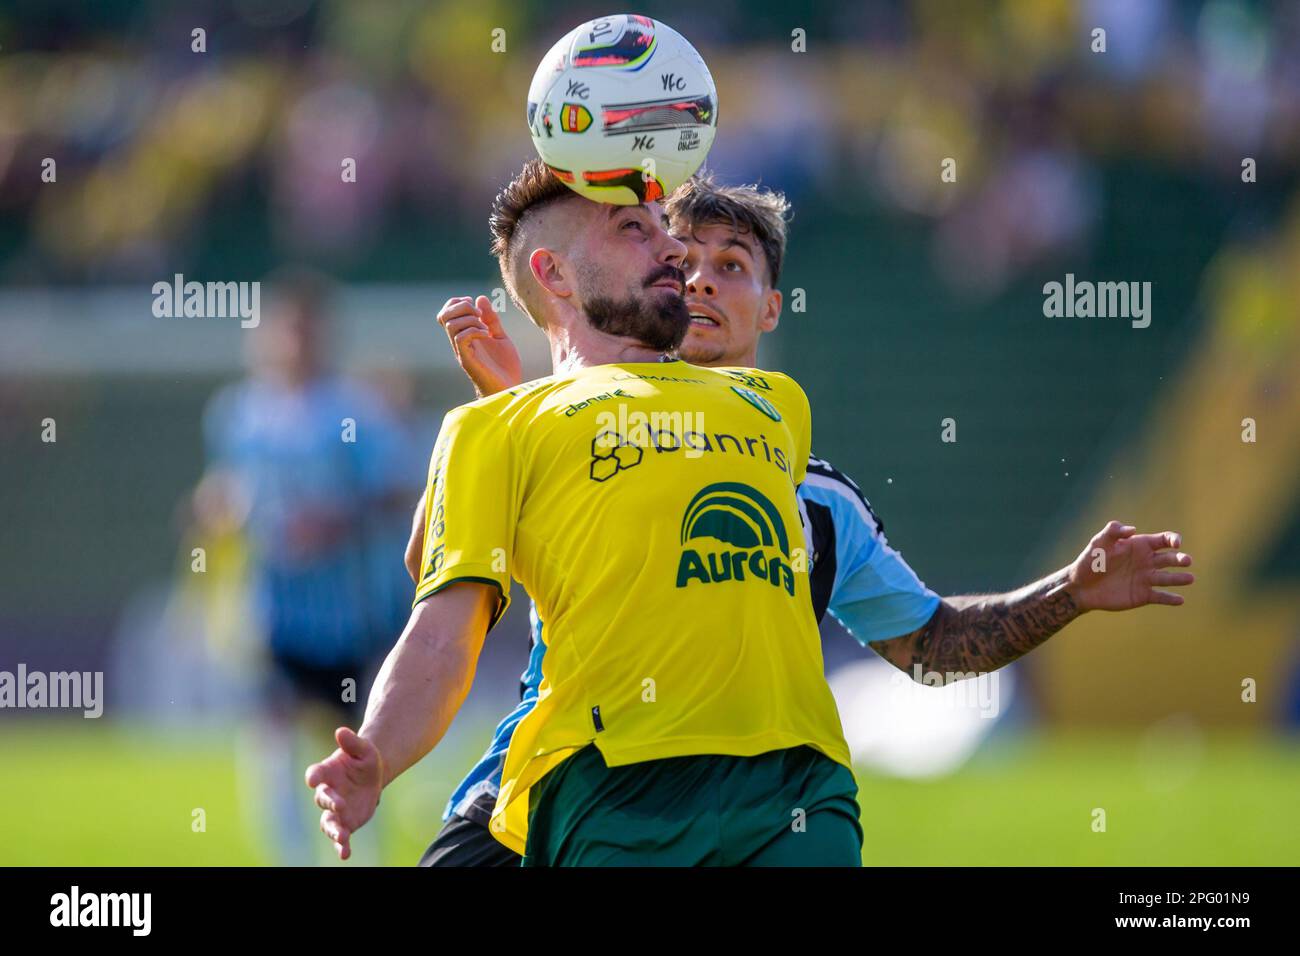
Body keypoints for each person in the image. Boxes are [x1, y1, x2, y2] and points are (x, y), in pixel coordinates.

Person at [307, 161, 1195, 866]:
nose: (691, 280)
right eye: (673, 255)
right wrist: (517, 408)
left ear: (771, 308)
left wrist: (1070, 593)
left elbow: (930, 644)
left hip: (789, 788)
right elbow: (441, 586)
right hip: (575, 770)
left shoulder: (791, 443)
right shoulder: (523, 419)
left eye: (726, 268)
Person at [195, 269, 420, 862]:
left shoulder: (354, 413)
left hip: (347, 612)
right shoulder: (239, 413)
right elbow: (234, 488)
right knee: (271, 730)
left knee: (347, 741)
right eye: (284, 328)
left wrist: (333, 522)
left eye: (305, 328)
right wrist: (216, 506)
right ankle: (289, 855)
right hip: (276, 608)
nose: (293, 341)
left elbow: (400, 490)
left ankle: (358, 852)